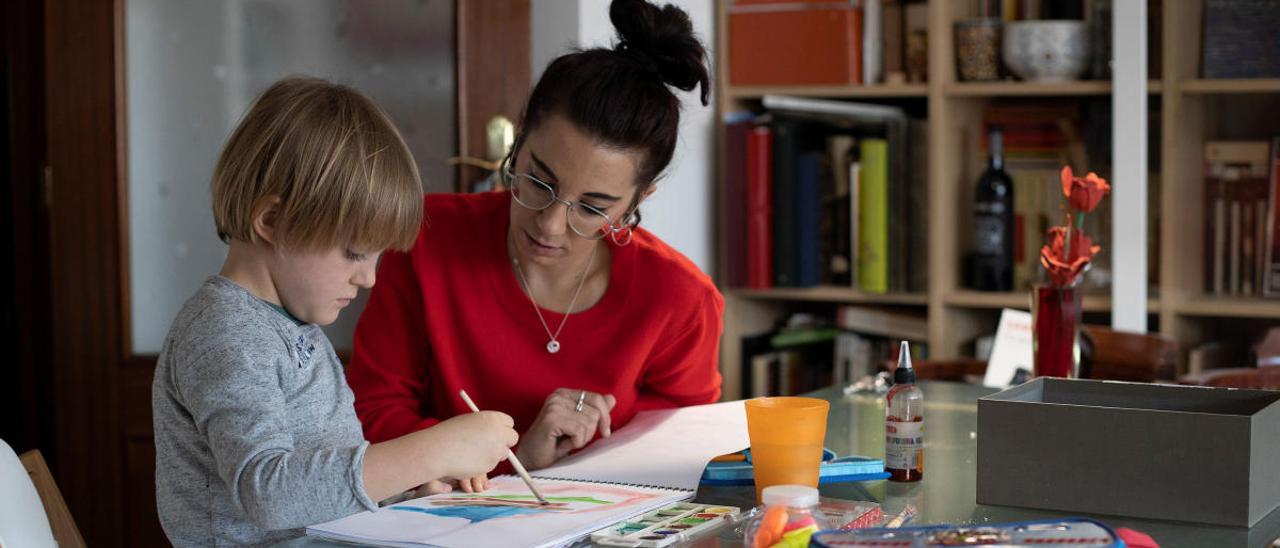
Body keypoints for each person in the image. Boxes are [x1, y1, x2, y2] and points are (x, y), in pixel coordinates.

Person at [347, 0, 723, 474]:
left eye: (592, 208)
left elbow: (675, 457)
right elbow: (369, 415)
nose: (548, 225)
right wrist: (515, 458)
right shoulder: (424, 238)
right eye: (539, 182)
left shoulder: (680, 301)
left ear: (638, 198)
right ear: (520, 137)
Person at [151, 77, 518, 547]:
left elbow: (322, 479)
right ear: (272, 221)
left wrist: (403, 485)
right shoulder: (225, 333)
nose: (369, 279)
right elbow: (270, 495)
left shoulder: (291, 323)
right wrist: (430, 451)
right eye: (353, 253)